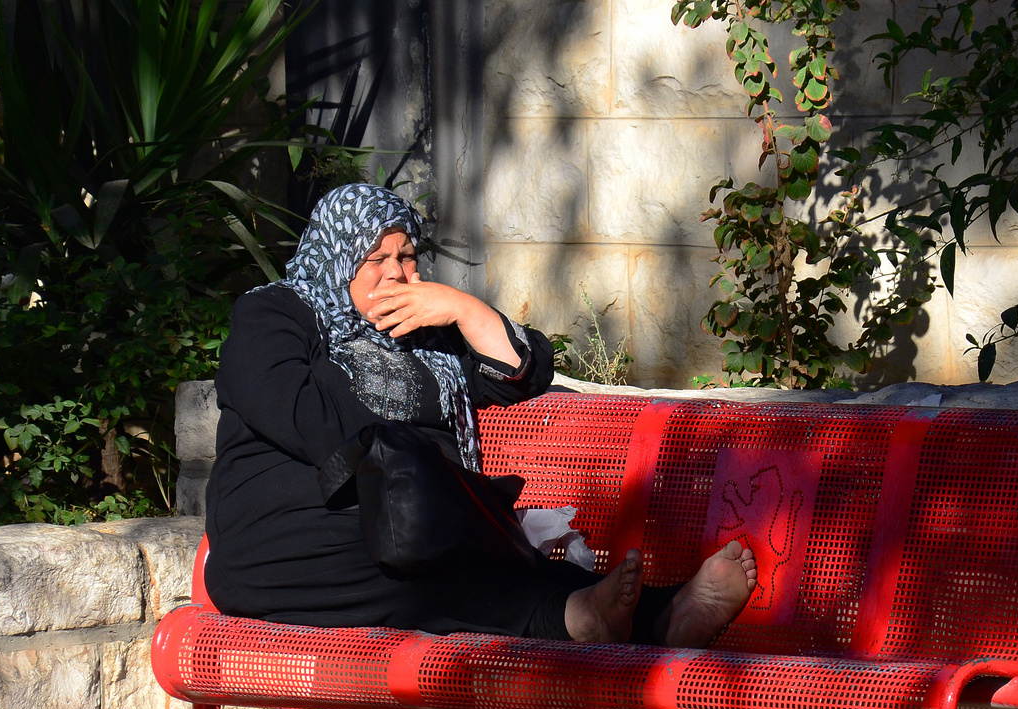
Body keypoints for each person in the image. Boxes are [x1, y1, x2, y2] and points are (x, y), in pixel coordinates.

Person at [204, 183, 755, 645]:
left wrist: (462, 309)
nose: (397, 273)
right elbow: (289, 406)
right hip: (281, 546)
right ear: (336, 259)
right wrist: (403, 471)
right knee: (436, 554)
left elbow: (523, 371)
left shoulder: (424, 340)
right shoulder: (276, 313)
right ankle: (603, 614)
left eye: (407, 256)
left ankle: (647, 614)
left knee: (450, 550)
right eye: (376, 259)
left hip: (405, 533)